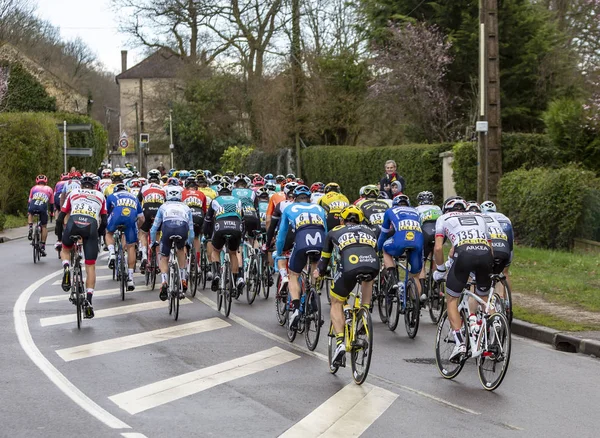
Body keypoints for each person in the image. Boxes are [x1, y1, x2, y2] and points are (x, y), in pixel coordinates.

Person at [314, 205, 379, 366]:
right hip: (372, 265)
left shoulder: (334, 231)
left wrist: (319, 273)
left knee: (336, 301)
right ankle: (364, 311)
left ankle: (340, 343)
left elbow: (324, 261)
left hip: (350, 267)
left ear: (342, 220)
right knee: (368, 278)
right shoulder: (370, 231)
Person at [433, 197, 493, 362]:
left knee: (452, 298)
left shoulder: (443, 218)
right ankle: (493, 335)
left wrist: (439, 270)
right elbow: (489, 247)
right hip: (485, 254)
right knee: (484, 299)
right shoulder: (479, 217)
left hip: (464, 254)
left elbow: (438, 248)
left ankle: (460, 344)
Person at [276, 185, 327, 329]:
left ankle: (297, 308)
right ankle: (314, 297)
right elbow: (327, 232)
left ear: (294, 199)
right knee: (314, 269)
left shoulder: (289, 209)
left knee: (293, 274)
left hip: (301, 241)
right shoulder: (319, 209)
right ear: (309, 199)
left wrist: (279, 252)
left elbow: (282, 235)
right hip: (320, 241)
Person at [58, 175, 107, 319]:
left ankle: (66, 267)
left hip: (73, 223)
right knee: (90, 266)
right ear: (94, 186)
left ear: (81, 185)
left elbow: (61, 216)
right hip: (91, 226)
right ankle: (89, 301)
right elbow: (104, 220)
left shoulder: (73, 193)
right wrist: (98, 234)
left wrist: (60, 235)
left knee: (66, 249)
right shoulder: (100, 195)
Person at [150, 185, 194, 300]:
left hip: (167, 228)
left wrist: (153, 242)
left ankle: (164, 282)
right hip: (182, 228)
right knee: (180, 250)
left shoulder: (163, 206)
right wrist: (188, 243)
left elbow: (154, 229)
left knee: (164, 257)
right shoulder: (186, 207)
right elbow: (192, 232)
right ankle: (183, 279)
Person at [377, 194, 424, 299]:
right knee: (415, 275)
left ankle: (393, 279)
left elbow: (384, 233)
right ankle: (416, 304)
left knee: (385, 249)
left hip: (400, 241)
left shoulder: (390, 211)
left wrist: (378, 247)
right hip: (418, 242)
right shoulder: (416, 211)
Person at [202, 182, 245, 293]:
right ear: (230, 192)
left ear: (218, 192)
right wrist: (242, 235)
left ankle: (216, 274)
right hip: (236, 225)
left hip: (220, 225)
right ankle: (235, 282)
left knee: (215, 251)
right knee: (233, 253)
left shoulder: (215, 200)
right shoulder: (238, 200)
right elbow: (243, 219)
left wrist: (206, 234)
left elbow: (207, 220)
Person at [106, 183, 144, 291]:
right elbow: (142, 218)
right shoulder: (134, 198)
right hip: (130, 219)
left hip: (116, 216)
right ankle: (131, 278)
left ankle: (112, 252)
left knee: (108, 233)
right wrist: (137, 228)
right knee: (131, 246)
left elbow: (106, 213)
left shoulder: (111, 196)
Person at [415, 191, 443, 299]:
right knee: (435, 257)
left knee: (422, 261)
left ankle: (422, 291)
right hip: (438, 235)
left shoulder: (416, 209)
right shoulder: (437, 208)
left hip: (425, 233)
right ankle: (436, 286)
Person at [138, 169, 167, 274]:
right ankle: (159, 263)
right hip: (159, 210)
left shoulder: (144, 188)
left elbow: (138, 203)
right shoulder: (163, 189)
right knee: (158, 235)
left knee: (143, 233)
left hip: (147, 209)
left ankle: (144, 256)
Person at [182, 176, 208, 270]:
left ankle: (185, 263)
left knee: (184, 238)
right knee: (196, 238)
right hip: (198, 215)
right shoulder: (201, 193)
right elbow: (204, 211)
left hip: (187, 215)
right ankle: (198, 262)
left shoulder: (182, 193)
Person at [27, 175, 54, 256]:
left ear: (37, 181)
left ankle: (30, 227)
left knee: (30, 213)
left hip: (33, 204)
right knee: (44, 226)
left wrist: (29, 210)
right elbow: (52, 204)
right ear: (45, 182)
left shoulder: (33, 188)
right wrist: (52, 213)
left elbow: (29, 201)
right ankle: (42, 245)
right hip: (43, 207)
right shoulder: (49, 189)